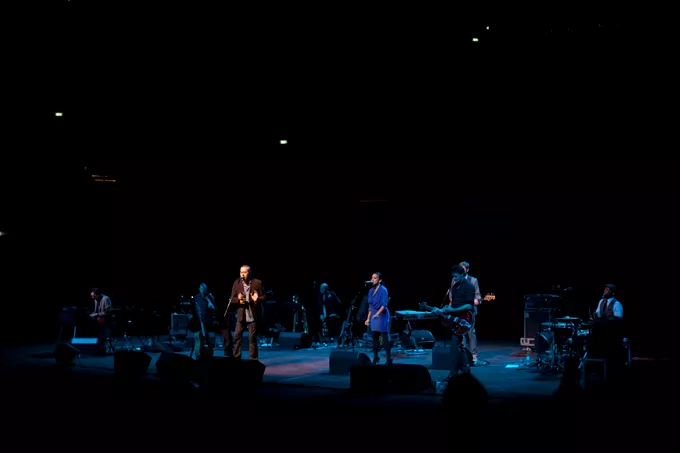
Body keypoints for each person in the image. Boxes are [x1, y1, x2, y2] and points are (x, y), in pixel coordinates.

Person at [433, 263, 475, 379]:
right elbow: (454, 304)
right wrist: (443, 310)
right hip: (455, 319)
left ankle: (453, 372)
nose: (454, 278)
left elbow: (469, 306)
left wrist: (453, 310)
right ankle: (465, 370)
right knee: (459, 347)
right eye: (453, 276)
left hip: (464, 320)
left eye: (456, 276)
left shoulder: (469, 286)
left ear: (462, 274)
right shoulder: (455, 286)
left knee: (454, 346)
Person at [229, 264, 266, 360]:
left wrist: (257, 299)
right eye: (241, 272)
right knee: (236, 336)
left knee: (251, 338)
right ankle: (236, 358)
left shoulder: (257, 283)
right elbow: (231, 299)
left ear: (249, 273)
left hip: (252, 313)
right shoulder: (237, 283)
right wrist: (238, 300)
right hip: (241, 313)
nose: (242, 274)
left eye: (244, 272)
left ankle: (253, 360)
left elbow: (264, 297)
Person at [461, 261, 488, 366]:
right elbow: (451, 295)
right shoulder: (455, 280)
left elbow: (478, 295)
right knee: (460, 333)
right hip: (458, 310)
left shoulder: (473, 280)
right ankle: (462, 354)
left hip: (470, 311)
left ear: (467, 270)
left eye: (463, 268)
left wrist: (477, 300)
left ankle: (474, 356)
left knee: (471, 333)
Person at [364, 272, 392, 365]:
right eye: (372, 278)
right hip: (374, 315)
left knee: (384, 337)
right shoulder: (371, 290)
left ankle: (389, 359)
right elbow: (370, 306)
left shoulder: (383, 290)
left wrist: (377, 314)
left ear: (380, 280)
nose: (372, 279)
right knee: (374, 337)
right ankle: (376, 357)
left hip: (382, 315)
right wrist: (368, 318)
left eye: (375, 278)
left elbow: (384, 305)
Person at [189, 282, 218, 359]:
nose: (202, 291)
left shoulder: (209, 297)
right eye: (201, 289)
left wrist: (210, 304)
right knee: (198, 333)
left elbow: (214, 308)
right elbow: (194, 307)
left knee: (205, 333)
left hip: (207, 319)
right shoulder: (197, 297)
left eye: (204, 290)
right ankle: (198, 348)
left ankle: (207, 348)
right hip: (199, 319)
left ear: (206, 290)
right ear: (199, 289)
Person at [89, 288, 112, 354]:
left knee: (103, 328)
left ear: (98, 294)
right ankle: (98, 345)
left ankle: (105, 344)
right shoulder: (96, 299)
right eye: (92, 296)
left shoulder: (106, 299)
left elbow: (107, 312)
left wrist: (96, 314)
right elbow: (96, 310)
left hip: (107, 318)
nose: (92, 297)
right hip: (100, 318)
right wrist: (92, 314)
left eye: (93, 296)